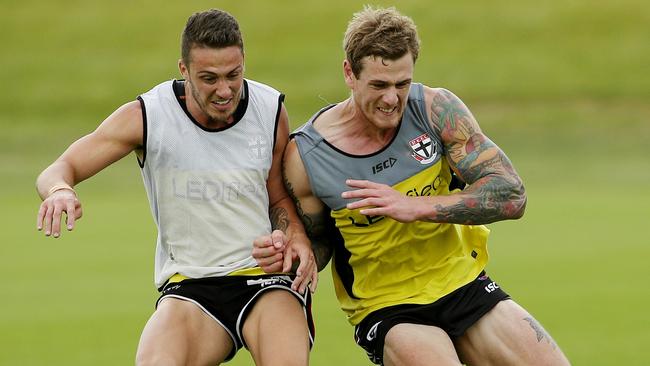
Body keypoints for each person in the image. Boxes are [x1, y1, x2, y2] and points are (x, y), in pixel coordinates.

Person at [253, 6, 571, 366]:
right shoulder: (308, 156)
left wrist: (415, 206)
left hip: (462, 284)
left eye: (401, 84)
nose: (392, 100)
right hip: (389, 307)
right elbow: (320, 241)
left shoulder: (435, 110)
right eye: (378, 85)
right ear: (349, 73)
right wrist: (297, 253)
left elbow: (512, 194)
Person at [36, 9, 317, 366]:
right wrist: (60, 190)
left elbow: (278, 197)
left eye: (234, 74)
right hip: (190, 287)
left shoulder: (269, 109)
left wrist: (293, 235)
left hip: (265, 281)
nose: (225, 90)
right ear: (183, 70)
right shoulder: (150, 116)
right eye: (209, 78)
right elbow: (61, 168)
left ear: (244, 60)